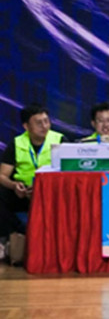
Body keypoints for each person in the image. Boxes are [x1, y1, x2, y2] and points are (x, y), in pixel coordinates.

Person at [0, 104, 68, 244]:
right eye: (38, 123)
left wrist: (45, 188)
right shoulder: (17, 143)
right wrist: (14, 186)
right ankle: (16, 234)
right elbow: (2, 175)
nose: (44, 126)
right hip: (24, 192)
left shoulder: (60, 140)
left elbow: (70, 172)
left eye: (46, 121)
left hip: (52, 192)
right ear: (26, 126)